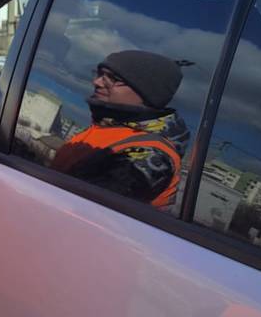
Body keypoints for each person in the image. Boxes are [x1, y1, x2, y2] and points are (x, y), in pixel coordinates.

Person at [50, 49, 190, 209]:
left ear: (147, 92)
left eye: (113, 78)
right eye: (100, 74)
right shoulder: (108, 128)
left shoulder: (150, 155)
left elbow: (85, 208)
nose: (97, 82)